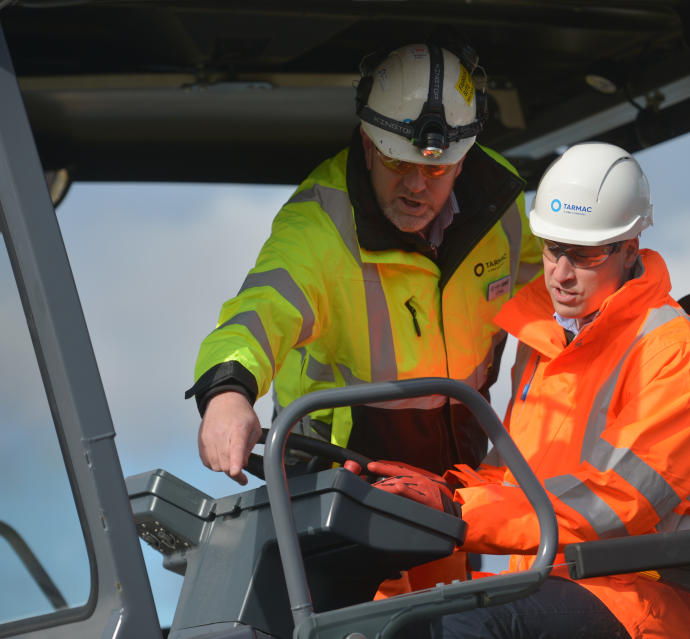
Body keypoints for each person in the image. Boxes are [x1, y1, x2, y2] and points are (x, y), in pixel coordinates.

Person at [185, 42, 542, 587]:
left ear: (463, 159)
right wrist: (227, 393)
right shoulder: (318, 227)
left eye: (438, 168)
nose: (418, 186)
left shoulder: (502, 205)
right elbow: (258, 313)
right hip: (342, 489)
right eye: (399, 162)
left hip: (454, 488)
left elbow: (565, 295)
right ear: (369, 143)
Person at [367, 142, 690, 638]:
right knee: (385, 607)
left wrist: (459, 512)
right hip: (551, 578)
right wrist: (430, 497)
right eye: (553, 249)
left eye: (582, 255)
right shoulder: (546, 343)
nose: (560, 273)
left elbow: (618, 501)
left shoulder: (673, 353)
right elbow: (513, 477)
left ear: (629, 250)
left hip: (640, 595)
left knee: (463, 627)